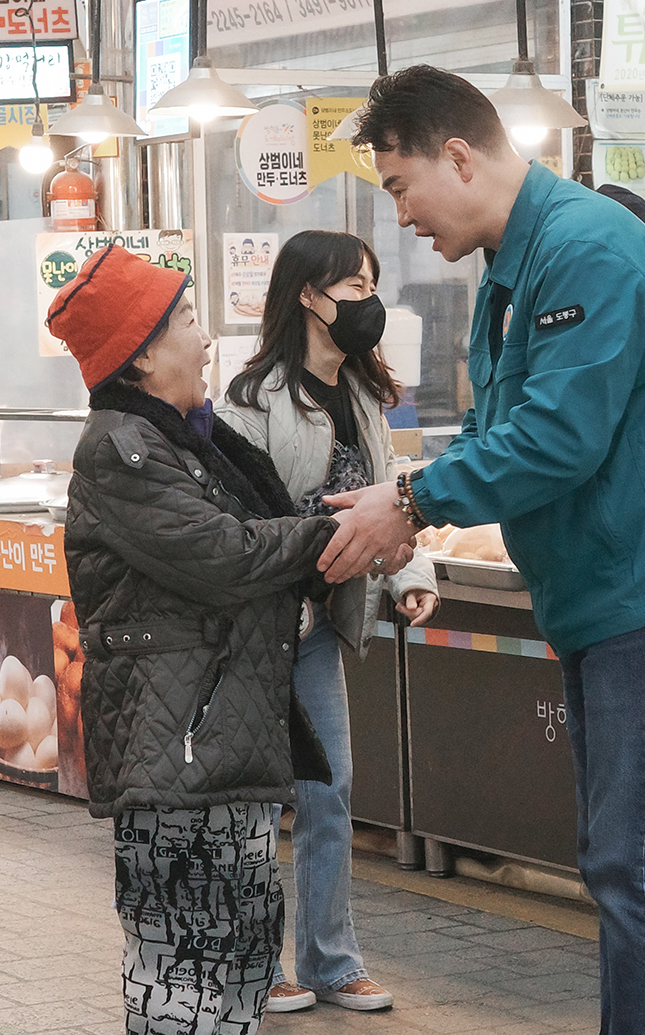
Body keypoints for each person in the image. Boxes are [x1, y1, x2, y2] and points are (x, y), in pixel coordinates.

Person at [317, 65, 645, 1035]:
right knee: (615, 859)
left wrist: (407, 498)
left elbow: (559, 438)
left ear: (457, 156)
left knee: (636, 868)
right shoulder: (515, 269)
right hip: (608, 593)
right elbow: (503, 427)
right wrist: (409, 497)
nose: (397, 216)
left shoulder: (582, 252)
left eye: (398, 186)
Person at [49, 244, 404, 1034]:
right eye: (186, 319)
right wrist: (339, 533)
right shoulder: (123, 448)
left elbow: (253, 533)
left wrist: (350, 540)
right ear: (140, 354)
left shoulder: (187, 438)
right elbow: (227, 555)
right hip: (179, 750)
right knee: (184, 972)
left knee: (236, 961)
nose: (207, 338)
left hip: (217, 746)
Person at [219, 230, 440, 1014]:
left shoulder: (366, 393)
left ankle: (331, 959)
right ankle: (256, 962)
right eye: (353, 285)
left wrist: (410, 572)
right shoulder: (249, 400)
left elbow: (391, 494)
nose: (367, 300)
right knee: (252, 797)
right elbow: (239, 521)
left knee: (329, 788)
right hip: (255, 626)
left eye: (372, 283)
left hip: (319, 627)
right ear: (307, 296)